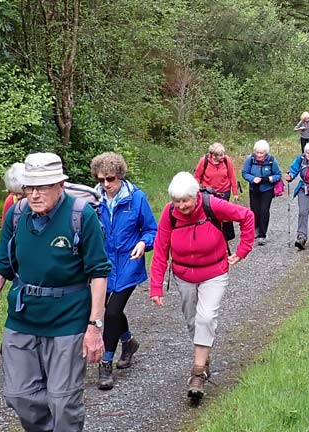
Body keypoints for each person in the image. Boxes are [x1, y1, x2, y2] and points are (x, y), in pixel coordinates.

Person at [0, 152, 112, 432]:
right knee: (18, 395)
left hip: (68, 321)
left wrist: (94, 326)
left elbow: (98, 272)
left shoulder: (82, 215)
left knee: (62, 401)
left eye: (42, 186)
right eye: (29, 187)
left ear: (60, 185)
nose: (34, 194)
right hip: (23, 318)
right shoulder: (17, 215)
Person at [149, 172, 255, 401]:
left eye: (185, 201)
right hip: (183, 274)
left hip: (214, 271)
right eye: (177, 202)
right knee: (192, 321)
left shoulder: (212, 205)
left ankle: (197, 373)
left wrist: (242, 251)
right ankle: (203, 356)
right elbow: (160, 249)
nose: (181, 206)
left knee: (206, 317)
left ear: (196, 196)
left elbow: (246, 216)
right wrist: (156, 286)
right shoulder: (170, 213)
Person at [90, 152, 157, 391]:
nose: (106, 184)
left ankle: (105, 363)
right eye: (101, 180)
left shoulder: (136, 198)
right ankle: (128, 341)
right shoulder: (92, 200)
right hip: (103, 265)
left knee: (111, 313)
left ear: (119, 175)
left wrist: (143, 243)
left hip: (129, 263)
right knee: (111, 310)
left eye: (110, 179)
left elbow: (151, 230)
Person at [241, 140, 282, 245]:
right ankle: (256, 227)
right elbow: (244, 173)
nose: (259, 155)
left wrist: (268, 179)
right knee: (255, 210)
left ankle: (262, 235)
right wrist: (252, 179)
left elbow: (278, 175)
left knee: (264, 210)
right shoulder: (250, 159)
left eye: (261, 153)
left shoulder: (272, 161)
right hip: (254, 188)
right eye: (257, 153)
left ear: (266, 153)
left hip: (267, 189)